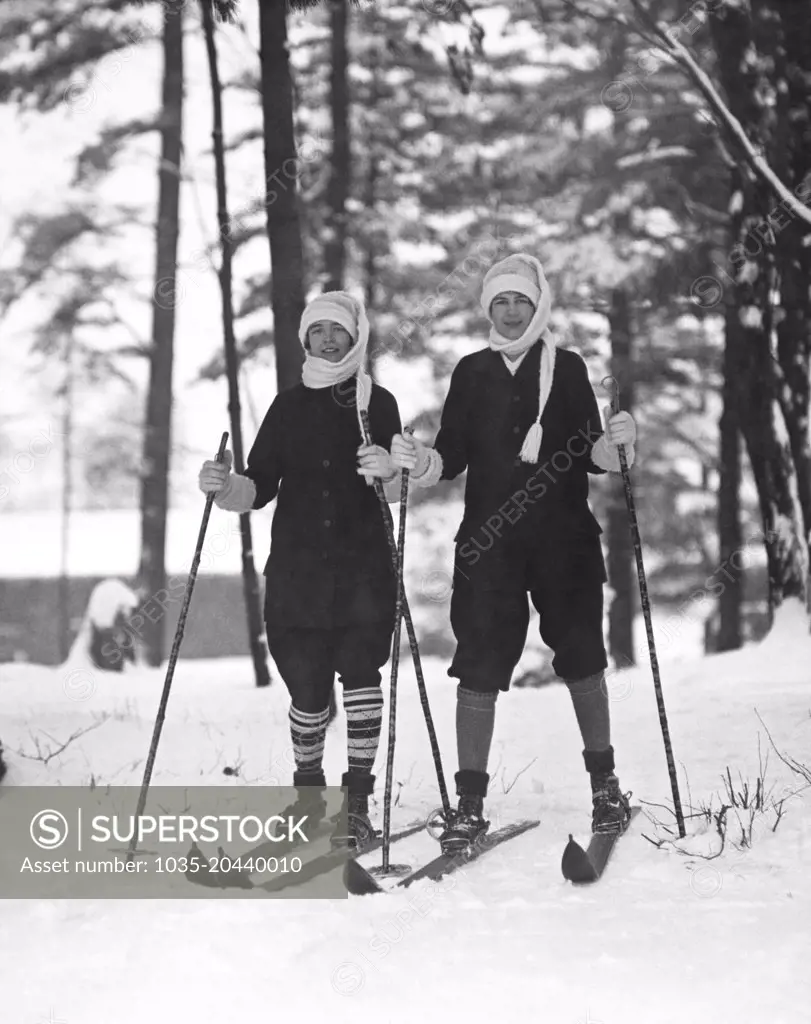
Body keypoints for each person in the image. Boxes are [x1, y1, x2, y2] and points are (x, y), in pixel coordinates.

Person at [389, 254, 638, 853]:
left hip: (564, 542)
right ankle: (469, 805)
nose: (509, 309)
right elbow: (450, 455)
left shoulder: (570, 369)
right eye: (499, 300)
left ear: (538, 304)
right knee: (477, 663)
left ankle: (606, 788)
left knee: (581, 654)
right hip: (489, 545)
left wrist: (616, 446)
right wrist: (419, 462)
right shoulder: (471, 372)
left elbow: (590, 453)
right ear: (487, 309)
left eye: (520, 300)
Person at [198, 291, 402, 848]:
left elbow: (400, 484)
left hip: (364, 569)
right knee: (307, 689)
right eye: (318, 332)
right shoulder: (287, 408)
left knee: (362, 675)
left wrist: (389, 469)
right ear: (305, 340)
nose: (328, 340)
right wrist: (224, 486)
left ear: (355, 336)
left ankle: (356, 802)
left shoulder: (376, 404)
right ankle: (308, 800)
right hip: (298, 571)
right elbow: (258, 485)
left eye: (338, 331)